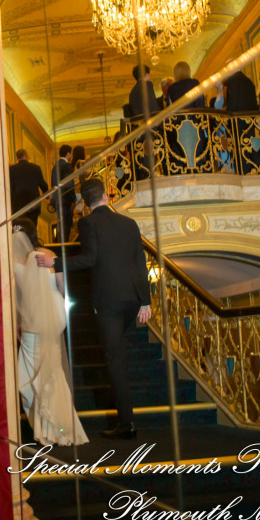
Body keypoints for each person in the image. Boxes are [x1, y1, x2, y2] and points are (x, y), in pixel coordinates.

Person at [35, 178, 151, 440]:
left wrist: (56, 262)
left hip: (108, 301)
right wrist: (146, 300)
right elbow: (140, 261)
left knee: (115, 360)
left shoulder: (88, 223)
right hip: (132, 299)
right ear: (107, 197)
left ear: (86, 204)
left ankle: (127, 423)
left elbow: (90, 258)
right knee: (118, 355)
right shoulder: (129, 223)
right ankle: (126, 418)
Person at [12, 218, 88, 446]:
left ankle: (45, 429)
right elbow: (62, 288)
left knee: (32, 373)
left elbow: (15, 297)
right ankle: (61, 426)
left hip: (32, 320)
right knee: (52, 369)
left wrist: (18, 321)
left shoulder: (11, 260)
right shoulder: (47, 254)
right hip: (53, 315)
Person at [8, 149, 48, 224]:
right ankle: (31, 235)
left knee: (18, 225)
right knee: (32, 224)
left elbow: (10, 188)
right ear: (27, 156)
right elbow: (42, 184)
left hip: (18, 205)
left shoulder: (12, 170)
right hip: (33, 203)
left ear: (17, 158)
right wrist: (48, 195)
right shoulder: (35, 168)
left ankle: (19, 233)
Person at [49, 145, 74, 242]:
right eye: (70, 153)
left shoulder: (55, 167)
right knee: (66, 225)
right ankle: (64, 248)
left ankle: (59, 245)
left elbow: (53, 184)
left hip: (56, 200)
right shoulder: (67, 166)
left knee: (60, 224)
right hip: (65, 199)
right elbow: (69, 184)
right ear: (68, 153)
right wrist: (73, 199)